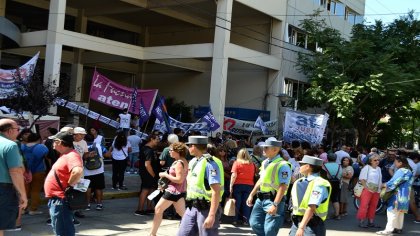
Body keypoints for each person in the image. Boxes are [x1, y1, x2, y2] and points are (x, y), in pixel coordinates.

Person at [177, 136, 224, 236]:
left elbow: (216, 190)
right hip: (192, 207)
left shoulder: (211, 163)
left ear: (194, 146)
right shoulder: (194, 161)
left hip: (206, 208)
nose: (188, 148)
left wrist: (211, 215)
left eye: (189, 145)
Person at [246, 137, 292, 236]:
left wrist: (275, 204)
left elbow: (283, 186)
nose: (263, 150)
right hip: (261, 199)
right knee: (254, 223)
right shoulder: (265, 162)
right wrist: (251, 194)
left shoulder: (283, 165)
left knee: (270, 229)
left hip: (274, 200)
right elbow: (260, 180)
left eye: (266, 148)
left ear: (275, 150)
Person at [43, 131, 83, 236]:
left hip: (60, 200)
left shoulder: (71, 155)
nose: (52, 144)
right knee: (61, 230)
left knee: (63, 231)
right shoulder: (65, 155)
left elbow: (77, 171)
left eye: (54, 142)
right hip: (57, 199)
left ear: (59, 142)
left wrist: (69, 185)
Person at [150, 142, 188, 236]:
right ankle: (195, 231)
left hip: (173, 191)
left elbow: (179, 180)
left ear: (177, 151)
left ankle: (152, 234)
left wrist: (165, 174)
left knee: (158, 209)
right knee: (183, 214)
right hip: (179, 191)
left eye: (171, 150)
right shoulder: (182, 161)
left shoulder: (179, 163)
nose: (169, 152)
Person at [289, 155, 331, 236]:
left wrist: (301, 227)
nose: (299, 167)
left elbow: (312, 207)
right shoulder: (299, 181)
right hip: (297, 223)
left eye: (301, 165)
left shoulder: (320, 183)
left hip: (312, 225)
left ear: (308, 166)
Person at [0, 119, 28, 235]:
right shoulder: (11, 145)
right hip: (3, 189)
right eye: (18, 129)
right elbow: (15, 171)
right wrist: (23, 195)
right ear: (10, 131)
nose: (18, 132)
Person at [376, 156, 414, 235]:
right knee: (400, 211)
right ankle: (398, 228)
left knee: (392, 211)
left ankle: (388, 230)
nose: (395, 164)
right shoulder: (409, 171)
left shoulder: (401, 171)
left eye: (395, 162)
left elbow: (394, 182)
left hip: (397, 193)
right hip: (405, 194)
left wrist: (384, 185)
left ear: (400, 163)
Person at [20, 133, 49, 215]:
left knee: (24, 190)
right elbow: (47, 157)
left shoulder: (22, 146)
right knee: (35, 191)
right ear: (38, 139)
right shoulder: (42, 147)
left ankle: (22, 209)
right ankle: (33, 209)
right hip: (38, 171)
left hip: (25, 171)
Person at [135, 134, 160, 215]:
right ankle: (140, 209)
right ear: (151, 139)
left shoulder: (149, 149)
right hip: (148, 174)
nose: (158, 141)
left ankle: (149, 208)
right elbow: (147, 164)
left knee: (151, 190)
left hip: (149, 173)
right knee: (145, 190)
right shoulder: (148, 150)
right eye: (157, 139)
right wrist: (153, 175)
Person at [230, 148, 255, 225]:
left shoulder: (236, 163)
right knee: (246, 203)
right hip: (249, 185)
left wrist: (231, 185)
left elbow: (234, 175)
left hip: (238, 185)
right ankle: (246, 221)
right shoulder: (252, 164)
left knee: (237, 202)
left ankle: (234, 220)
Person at [357, 153, 382, 228]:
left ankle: (371, 222)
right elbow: (362, 179)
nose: (377, 161)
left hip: (376, 190)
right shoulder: (366, 167)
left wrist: (379, 189)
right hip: (367, 190)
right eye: (375, 160)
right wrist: (367, 188)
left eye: (378, 160)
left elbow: (379, 180)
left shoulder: (379, 168)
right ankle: (361, 222)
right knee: (364, 206)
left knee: (373, 206)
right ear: (370, 161)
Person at [84, 134, 108, 211]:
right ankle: (99, 204)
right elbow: (108, 154)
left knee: (88, 188)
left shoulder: (84, 148)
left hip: (87, 171)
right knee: (99, 188)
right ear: (94, 139)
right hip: (99, 170)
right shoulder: (100, 146)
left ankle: (87, 205)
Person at [323, 153, 342, 220]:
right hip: (336, 183)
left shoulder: (324, 166)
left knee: (326, 199)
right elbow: (340, 175)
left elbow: (323, 175)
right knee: (335, 199)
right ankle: (337, 215)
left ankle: (325, 215)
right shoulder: (339, 166)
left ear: (328, 158)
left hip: (327, 183)